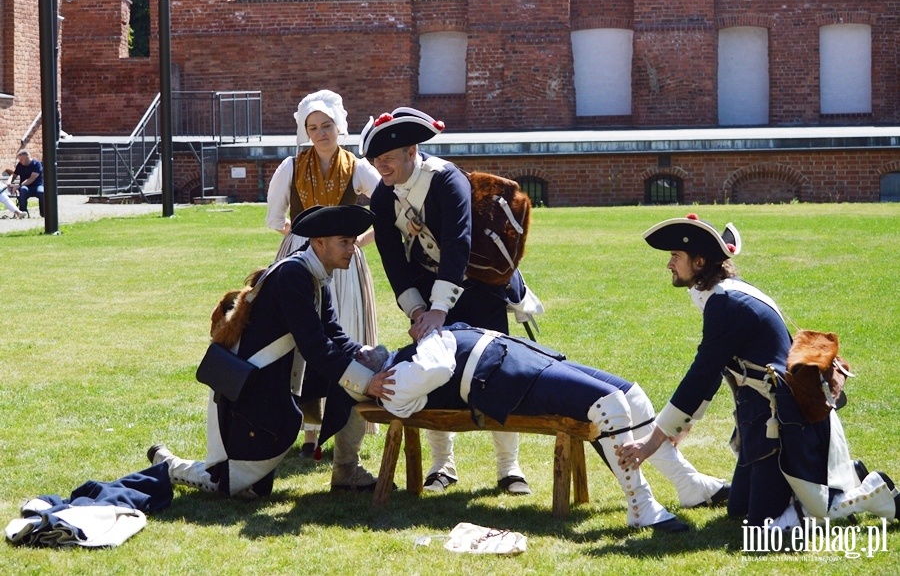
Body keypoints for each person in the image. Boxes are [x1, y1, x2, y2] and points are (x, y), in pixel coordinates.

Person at [617, 213, 899, 528]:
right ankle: (847, 476)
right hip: (766, 419)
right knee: (739, 507)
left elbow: (701, 375)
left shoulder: (725, 304)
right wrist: (681, 426)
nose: (669, 264)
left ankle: (867, 492)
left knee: (763, 525)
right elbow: (714, 370)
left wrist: (652, 441)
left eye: (675, 256)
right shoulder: (725, 292)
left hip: (785, 424)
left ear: (699, 262)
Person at [357, 323, 730, 532]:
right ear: (368, 378)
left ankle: (688, 485)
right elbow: (435, 370)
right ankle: (641, 507)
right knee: (609, 405)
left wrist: (434, 337)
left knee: (629, 393)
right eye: (356, 359)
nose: (361, 349)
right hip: (502, 380)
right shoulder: (394, 379)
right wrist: (432, 340)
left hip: (519, 357)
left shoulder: (407, 356)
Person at [149, 205, 387, 497]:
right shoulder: (294, 276)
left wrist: (368, 357)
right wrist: (365, 379)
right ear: (319, 242)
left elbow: (333, 334)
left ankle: (346, 470)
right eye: (344, 242)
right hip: (251, 389)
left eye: (352, 242)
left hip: (280, 379)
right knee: (236, 487)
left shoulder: (314, 275)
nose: (352, 249)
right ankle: (168, 465)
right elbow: (315, 346)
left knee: (357, 377)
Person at [361, 107, 531, 495]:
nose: (381, 167)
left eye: (388, 158)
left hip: (476, 285)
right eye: (376, 160)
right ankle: (443, 466)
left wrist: (440, 308)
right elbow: (392, 260)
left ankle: (510, 468)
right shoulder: (382, 198)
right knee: (432, 374)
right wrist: (418, 310)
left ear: (411, 151)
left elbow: (459, 245)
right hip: (426, 293)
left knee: (496, 371)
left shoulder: (446, 179)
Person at [265, 90, 382, 459]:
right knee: (302, 343)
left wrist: (358, 241)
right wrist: (302, 237)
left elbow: (389, 205)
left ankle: (346, 433)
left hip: (346, 264)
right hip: (303, 261)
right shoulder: (291, 166)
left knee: (343, 333)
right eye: (312, 127)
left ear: (339, 126)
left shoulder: (357, 166)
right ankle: (308, 433)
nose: (320, 134)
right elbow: (274, 218)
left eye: (326, 126)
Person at [9, 150, 44, 218]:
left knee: (41, 192)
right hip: (26, 187)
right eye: (20, 159)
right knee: (23, 190)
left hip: (37, 185)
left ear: (27, 157)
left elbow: (31, 178)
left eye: (22, 159)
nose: (21, 161)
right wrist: (9, 182)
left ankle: (44, 213)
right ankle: (23, 212)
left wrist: (19, 185)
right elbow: (14, 175)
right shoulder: (20, 165)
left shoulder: (36, 164)